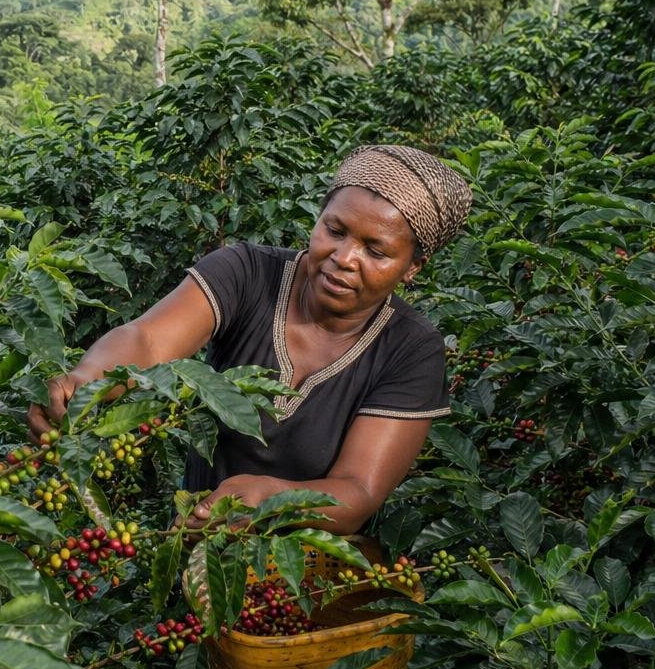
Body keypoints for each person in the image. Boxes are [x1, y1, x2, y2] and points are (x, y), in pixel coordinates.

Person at [27, 144, 473, 534]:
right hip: (195, 540)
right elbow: (146, 340)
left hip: (311, 571)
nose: (344, 258)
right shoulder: (247, 273)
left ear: (413, 267)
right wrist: (88, 382)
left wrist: (267, 498)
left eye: (375, 251)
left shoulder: (411, 349)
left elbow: (356, 492)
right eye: (334, 231)